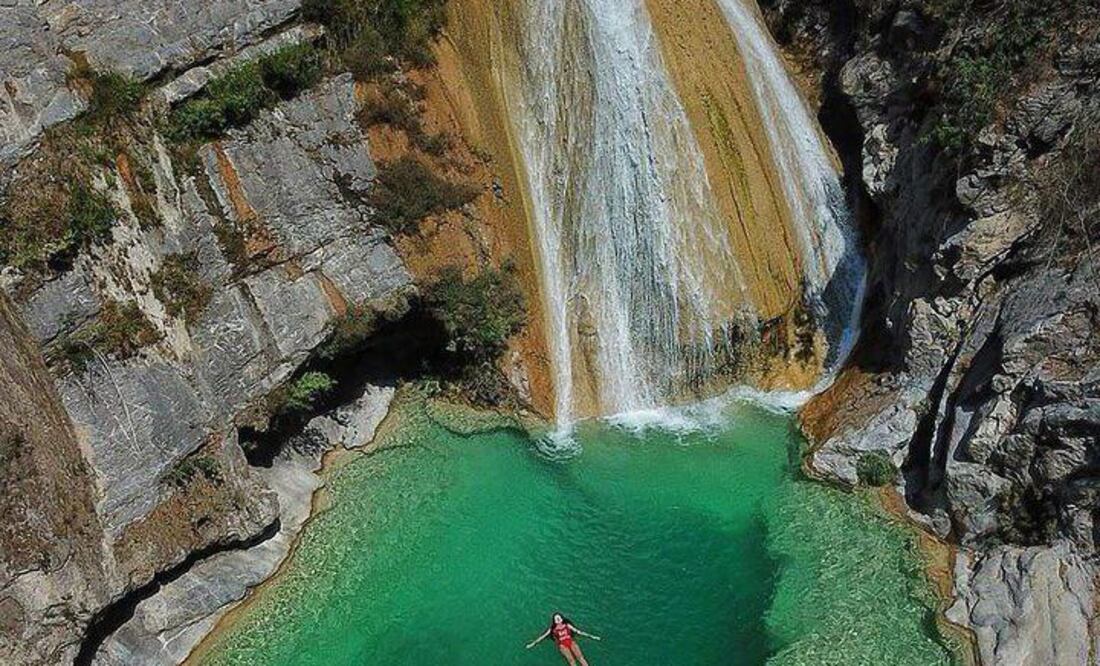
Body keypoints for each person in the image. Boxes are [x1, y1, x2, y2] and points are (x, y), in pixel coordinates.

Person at [526, 613, 601, 665]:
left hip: (571, 642)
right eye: (556, 618)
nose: (558, 619)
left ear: (562, 618)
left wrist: (592, 636)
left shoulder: (567, 625)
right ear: (554, 621)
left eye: (559, 617)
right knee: (572, 661)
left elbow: (579, 632)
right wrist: (532, 644)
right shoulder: (552, 629)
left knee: (581, 658)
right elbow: (542, 637)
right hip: (563, 646)